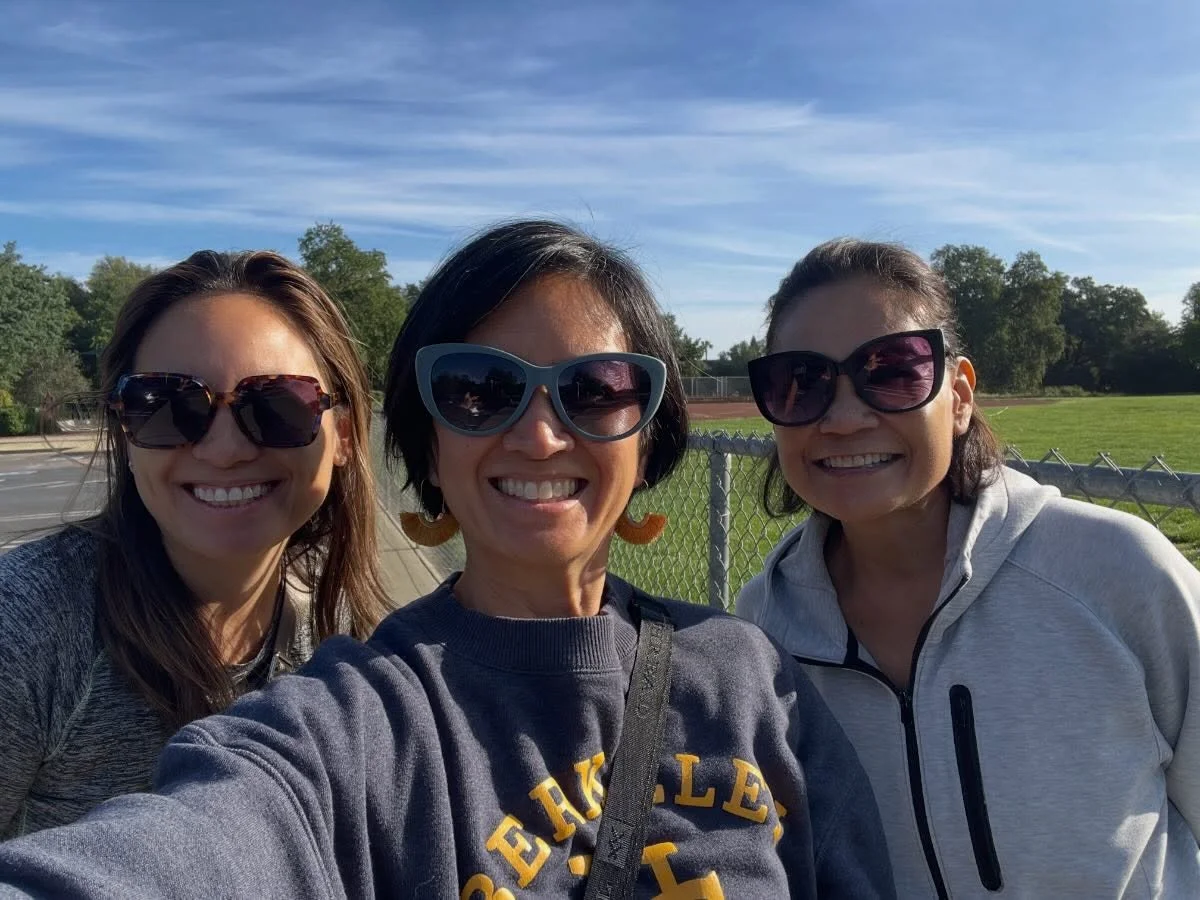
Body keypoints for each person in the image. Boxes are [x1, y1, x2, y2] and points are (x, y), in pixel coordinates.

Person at [0, 221, 894, 899]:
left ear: (649, 431)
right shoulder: (356, 713)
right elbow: (214, 829)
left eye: (597, 390)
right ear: (426, 436)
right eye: (480, 389)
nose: (541, 434)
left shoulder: (749, 676)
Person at [737, 237, 1200, 897]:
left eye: (892, 370)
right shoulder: (760, 630)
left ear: (958, 397)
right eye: (801, 382)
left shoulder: (1116, 573)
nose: (842, 419)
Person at [0, 250, 389, 839]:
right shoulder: (28, 628)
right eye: (168, 407)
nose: (224, 449)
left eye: (277, 406)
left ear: (345, 434)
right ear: (125, 432)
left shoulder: (346, 642)